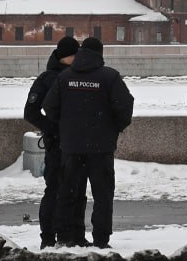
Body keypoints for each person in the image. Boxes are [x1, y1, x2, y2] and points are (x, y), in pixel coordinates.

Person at [43, 36, 134, 247]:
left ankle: (65, 238)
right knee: (102, 195)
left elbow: (50, 106)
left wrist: (65, 127)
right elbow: (125, 107)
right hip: (101, 148)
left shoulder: (65, 77)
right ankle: (101, 240)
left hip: (71, 147)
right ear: (100, 54)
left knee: (68, 193)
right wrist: (113, 129)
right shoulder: (109, 77)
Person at [22, 36, 87, 248]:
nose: (77, 58)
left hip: (77, 144)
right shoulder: (47, 78)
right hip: (57, 145)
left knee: (77, 191)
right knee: (54, 190)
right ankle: (48, 237)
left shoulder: (79, 76)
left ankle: (74, 235)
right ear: (64, 56)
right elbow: (30, 111)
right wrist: (52, 128)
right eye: (73, 54)